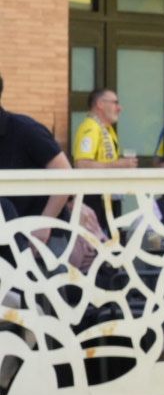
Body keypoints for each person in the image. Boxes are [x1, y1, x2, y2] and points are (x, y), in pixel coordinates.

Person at [0, 72, 105, 266]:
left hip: (43, 237)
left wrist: (43, 224)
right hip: (6, 239)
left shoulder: (26, 130)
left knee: (49, 293)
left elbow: (65, 176)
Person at [73, 88, 136, 239]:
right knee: (99, 247)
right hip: (94, 199)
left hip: (107, 198)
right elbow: (81, 164)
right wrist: (118, 165)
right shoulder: (90, 127)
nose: (119, 108)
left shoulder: (106, 129)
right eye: (115, 103)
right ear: (100, 104)